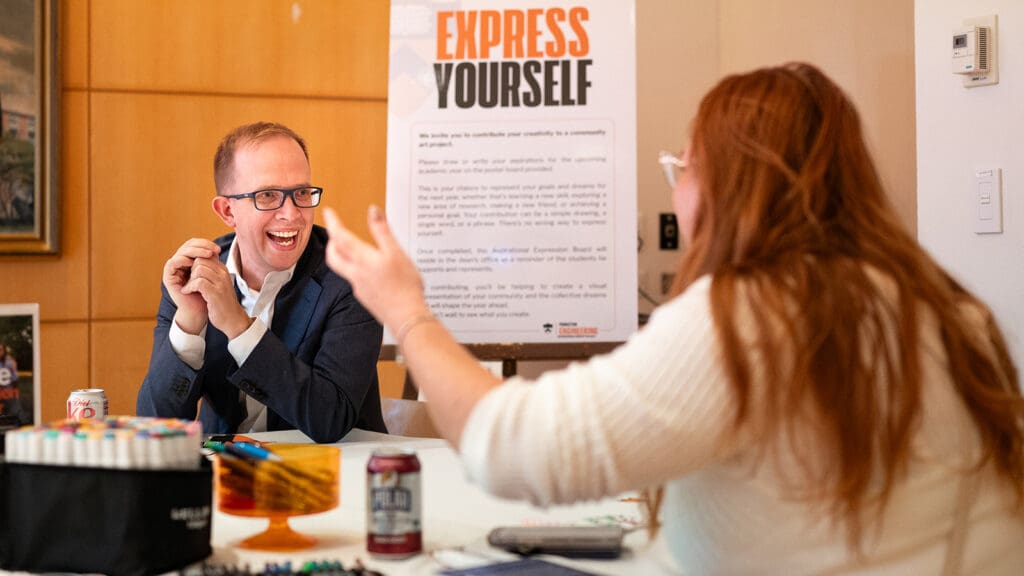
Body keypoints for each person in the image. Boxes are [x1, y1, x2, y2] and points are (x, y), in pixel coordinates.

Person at [322, 63, 1024, 573]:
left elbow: (512, 449)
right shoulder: (949, 307)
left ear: (730, 187)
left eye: (682, 170)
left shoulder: (748, 315)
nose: (677, 193)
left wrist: (406, 310)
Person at [137, 122, 386, 443]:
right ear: (227, 210)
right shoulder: (192, 277)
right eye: (268, 195)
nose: (292, 214)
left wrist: (239, 326)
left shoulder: (353, 278)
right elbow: (155, 428)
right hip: (226, 477)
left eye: (301, 193)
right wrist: (188, 324)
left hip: (339, 477)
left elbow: (330, 420)